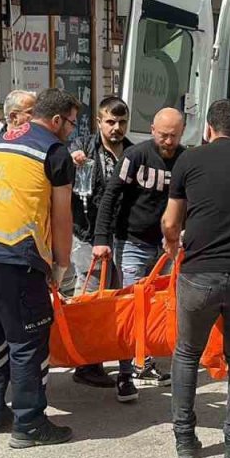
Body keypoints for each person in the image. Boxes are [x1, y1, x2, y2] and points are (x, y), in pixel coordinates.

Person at [0, 88, 77, 447]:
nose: (72, 130)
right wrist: (61, 264)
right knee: (27, 340)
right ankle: (30, 424)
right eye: (71, 123)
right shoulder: (54, 152)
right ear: (56, 120)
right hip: (12, 253)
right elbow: (62, 216)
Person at [163, 99, 230, 458]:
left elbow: (171, 222)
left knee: (187, 354)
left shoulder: (188, 161)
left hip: (200, 274)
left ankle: (185, 440)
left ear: (208, 129)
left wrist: (173, 244)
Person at [93, 107, 186, 392]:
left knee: (159, 309)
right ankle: (126, 373)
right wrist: (101, 238)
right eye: (163, 135)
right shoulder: (135, 156)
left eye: (174, 136)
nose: (168, 141)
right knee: (132, 309)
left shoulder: (186, 160)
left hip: (167, 248)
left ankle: (144, 362)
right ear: (152, 131)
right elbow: (110, 195)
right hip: (132, 242)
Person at [64, 96, 134, 397]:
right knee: (90, 299)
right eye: (110, 122)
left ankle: (110, 356)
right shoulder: (83, 148)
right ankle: (87, 365)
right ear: (99, 122)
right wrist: (72, 160)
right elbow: (63, 177)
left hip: (121, 236)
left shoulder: (132, 153)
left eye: (122, 122)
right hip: (87, 234)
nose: (116, 128)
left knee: (117, 300)